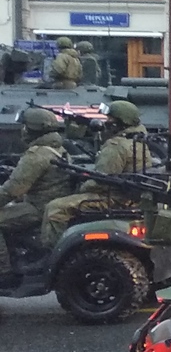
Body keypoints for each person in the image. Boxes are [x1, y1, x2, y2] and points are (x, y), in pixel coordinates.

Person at [40, 100, 151, 244]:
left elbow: (102, 180)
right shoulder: (138, 141)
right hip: (129, 197)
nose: (106, 123)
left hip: (113, 198)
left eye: (109, 119)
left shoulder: (116, 145)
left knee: (55, 208)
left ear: (118, 123)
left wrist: (82, 187)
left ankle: (52, 252)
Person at [0, 108, 74, 274]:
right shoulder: (59, 150)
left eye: (24, 126)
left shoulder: (36, 154)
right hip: (50, 204)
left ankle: (3, 271)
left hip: (38, 208)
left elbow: (13, 189)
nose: (22, 130)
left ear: (31, 129)